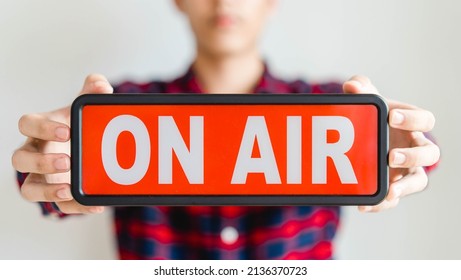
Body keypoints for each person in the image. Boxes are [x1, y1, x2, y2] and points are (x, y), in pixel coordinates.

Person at [12, 0, 440, 259]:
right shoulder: (121, 109)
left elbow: (412, 151)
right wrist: (50, 161)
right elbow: (48, 178)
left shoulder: (334, 108)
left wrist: (403, 150)